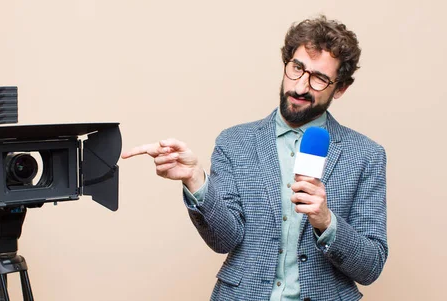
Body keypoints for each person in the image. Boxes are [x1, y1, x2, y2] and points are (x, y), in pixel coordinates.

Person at [122, 15, 387, 301]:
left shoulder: (366, 155)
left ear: (341, 88)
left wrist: (326, 220)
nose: (300, 87)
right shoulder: (235, 142)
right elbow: (224, 239)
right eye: (297, 68)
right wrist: (195, 179)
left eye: (319, 78)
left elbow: (370, 267)